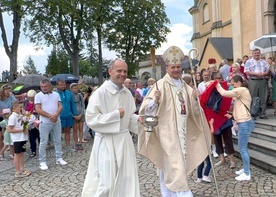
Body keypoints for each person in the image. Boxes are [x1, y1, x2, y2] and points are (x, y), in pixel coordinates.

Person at [139, 46, 211, 196]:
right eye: (173, 67)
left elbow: (195, 111)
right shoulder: (161, 85)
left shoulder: (186, 86)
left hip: (184, 132)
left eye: (178, 67)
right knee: (174, 167)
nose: (176, 70)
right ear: (167, 68)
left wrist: (195, 99)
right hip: (167, 134)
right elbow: (147, 110)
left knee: (171, 168)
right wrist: (155, 101)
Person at [81, 58, 143, 197]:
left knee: (126, 179)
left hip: (124, 140)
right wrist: (115, 115)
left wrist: (138, 119)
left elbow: (128, 118)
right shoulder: (100, 93)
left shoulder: (127, 93)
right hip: (106, 141)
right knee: (106, 183)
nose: (122, 74)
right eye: (119, 70)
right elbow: (91, 120)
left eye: (125, 71)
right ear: (110, 71)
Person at [215, 75, 255, 181]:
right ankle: (246, 169)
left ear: (238, 83)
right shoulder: (240, 92)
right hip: (244, 122)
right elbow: (239, 108)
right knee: (243, 148)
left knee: (242, 148)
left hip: (245, 123)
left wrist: (216, 84)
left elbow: (223, 93)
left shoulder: (242, 90)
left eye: (233, 84)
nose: (232, 87)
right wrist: (231, 115)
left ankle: (247, 174)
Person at [35, 79, 67, 170]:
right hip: (45, 122)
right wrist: (50, 116)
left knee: (58, 140)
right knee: (43, 142)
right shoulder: (38, 96)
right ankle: (42, 161)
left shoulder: (56, 94)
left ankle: (59, 158)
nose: (44, 88)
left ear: (50, 86)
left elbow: (60, 105)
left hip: (56, 121)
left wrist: (56, 115)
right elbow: (38, 109)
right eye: (42, 87)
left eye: (45, 86)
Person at [244, 48, 270, 119]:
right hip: (253, 80)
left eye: (258, 53)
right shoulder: (249, 62)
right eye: (255, 53)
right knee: (252, 96)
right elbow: (247, 71)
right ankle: (253, 114)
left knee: (263, 97)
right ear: (252, 54)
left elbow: (268, 70)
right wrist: (256, 74)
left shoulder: (263, 62)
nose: (256, 54)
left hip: (262, 80)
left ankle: (263, 113)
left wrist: (263, 74)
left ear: (260, 53)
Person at [8, 101, 31, 178]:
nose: (21, 109)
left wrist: (25, 114)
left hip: (23, 138)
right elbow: (10, 130)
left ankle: (22, 169)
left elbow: (27, 120)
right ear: (14, 108)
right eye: (20, 107)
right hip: (17, 139)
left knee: (22, 153)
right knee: (17, 154)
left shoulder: (21, 116)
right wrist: (21, 130)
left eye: (22, 107)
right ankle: (17, 171)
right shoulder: (12, 117)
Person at [56, 79, 77, 151]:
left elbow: (72, 104)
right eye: (61, 85)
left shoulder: (68, 93)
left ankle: (68, 146)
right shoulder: (55, 94)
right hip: (59, 116)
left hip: (68, 115)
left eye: (64, 85)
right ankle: (58, 148)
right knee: (58, 133)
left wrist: (75, 113)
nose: (63, 86)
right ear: (57, 86)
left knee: (68, 131)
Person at [70, 83, 85, 150]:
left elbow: (83, 105)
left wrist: (81, 114)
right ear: (71, 89)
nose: (75, 90)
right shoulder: (70, 96)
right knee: (75, 130)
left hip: (80, 114)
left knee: (81, 129)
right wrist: (73, 116)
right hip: (74, 115)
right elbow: (69, 106)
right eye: (74, 88)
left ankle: (80, 142)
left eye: (76, 88)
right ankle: (76, 143)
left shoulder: (80, 95)